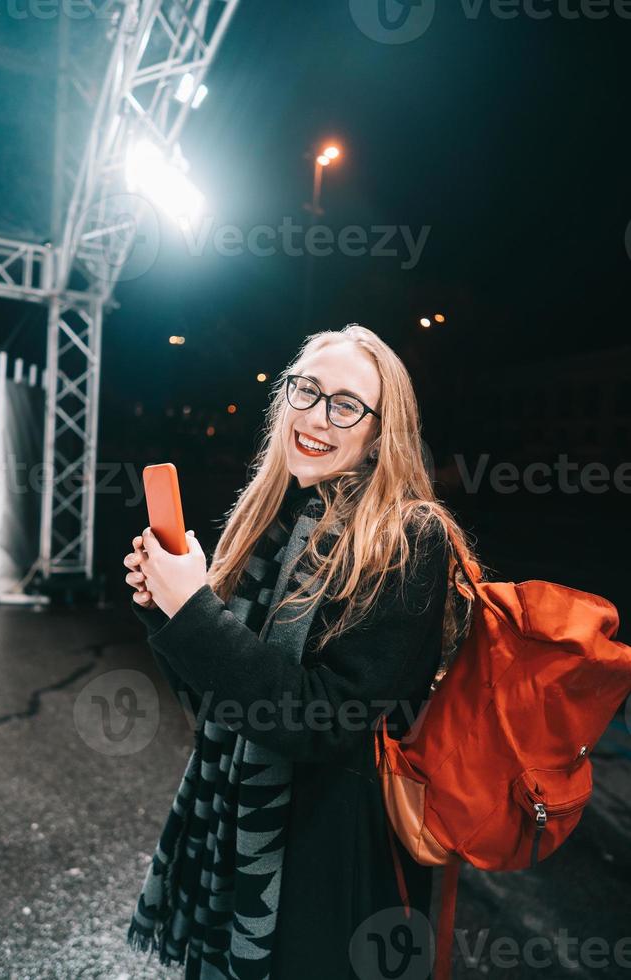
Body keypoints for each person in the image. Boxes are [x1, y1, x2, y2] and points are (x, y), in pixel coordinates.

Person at [123, 323, 480, 980]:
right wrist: (166, 612)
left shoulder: (408, 541)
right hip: (239, 831)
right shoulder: (275, 517)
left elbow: (318, 721)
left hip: (331, 853)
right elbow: (215, 704)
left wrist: (194, 613)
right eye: (306, 390)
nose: (318, 417)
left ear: (382, 430)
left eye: (346, 404)